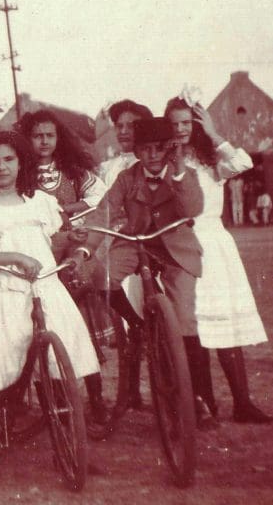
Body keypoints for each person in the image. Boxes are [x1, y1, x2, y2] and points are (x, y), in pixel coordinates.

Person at [0, 131, 100, 482]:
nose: (2, 167)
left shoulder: (39, 203)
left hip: (43, 288)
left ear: (21, 163)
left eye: (9, 159)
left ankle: (70, 445)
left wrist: (72, 240)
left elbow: (53, 238)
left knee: (56, 370)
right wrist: (13, 257)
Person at [72, 117, 208, 428]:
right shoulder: (126, 178)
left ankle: (192, 397)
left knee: (184, 319)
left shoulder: (182, 174)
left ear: (169, 150)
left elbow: (192, 208)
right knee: (101, 277)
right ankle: (139, 324)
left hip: (175, 246)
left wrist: (179, 169)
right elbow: (104, 212)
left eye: (159, 149)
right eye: (144, 150)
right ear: (137, 152)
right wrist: (85, 249)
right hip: (136, 243)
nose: (152, 156)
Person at [165, 98, 273, 426]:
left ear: (196, 125)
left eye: (187, 123)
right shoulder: (166, 162)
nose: (181, 129)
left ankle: (243, 403)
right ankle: (205, 405)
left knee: (227, 323)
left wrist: (213, 133)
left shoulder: (211, 159)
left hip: (217, 245)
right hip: (184, 244)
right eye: (175, 124)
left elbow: (243, 163)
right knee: (194, 328)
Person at [16, 108, 110, 430]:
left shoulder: (72, 170)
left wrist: (67, 210)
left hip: (70, 251)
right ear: (27, 139)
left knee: (80, 324)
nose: (44, 141)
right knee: (41, 326)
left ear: (58, 138)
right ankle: (53, 404)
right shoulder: (20, 172)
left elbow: (99, 196)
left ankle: (96, 400)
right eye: (37, 136)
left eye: (50, 135)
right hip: (40, 251)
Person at [94, 99, 152, 410]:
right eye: (120, 126)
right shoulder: (109, 167)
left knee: (154, 317)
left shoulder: (153, 161)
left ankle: (164, 390)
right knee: (127, 326)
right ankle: (129, 392)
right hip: (116, 244)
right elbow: (100, 206)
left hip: (147, 246)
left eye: (132, 125)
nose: (125, 131)